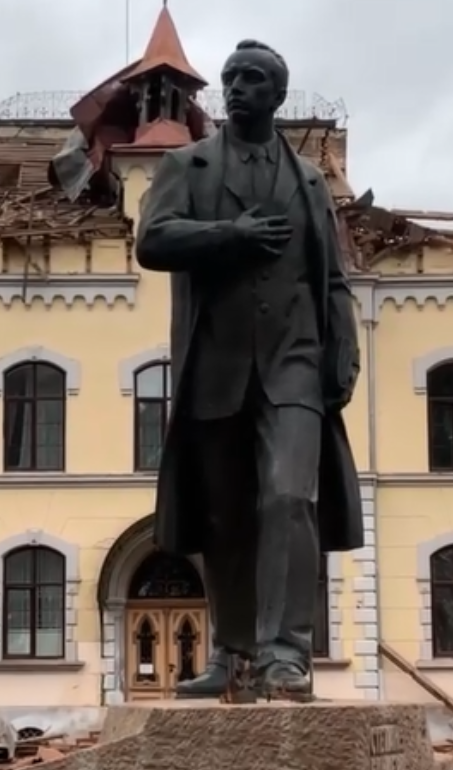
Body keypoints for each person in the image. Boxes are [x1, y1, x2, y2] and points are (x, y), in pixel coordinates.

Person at [135, 39, 364, 698]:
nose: (236, 87)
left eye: (253, 79)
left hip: (294, 365)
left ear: (277, 95)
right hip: (217, 364)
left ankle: (286, 653)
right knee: (227, 515)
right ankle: (233, 653)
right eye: (231, 78)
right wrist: (229, 236)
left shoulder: (309, 180)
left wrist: (342, 351)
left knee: (290, 497)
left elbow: (332, 279)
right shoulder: (188, 165)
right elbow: (153, 240)